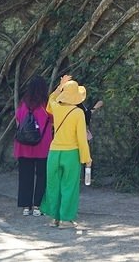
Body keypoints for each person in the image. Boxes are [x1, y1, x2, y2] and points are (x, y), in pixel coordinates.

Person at [43, 75, 92, 228]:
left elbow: (50, 101)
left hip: (54, 152)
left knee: (53, 185)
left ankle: (54, 218)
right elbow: (81, 138)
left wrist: (59, 86)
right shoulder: (78, 113)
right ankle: (65, 219)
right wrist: (87, 158)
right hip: (71, 153)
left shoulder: (56, 108)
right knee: (69, 186)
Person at [15, 75, 53, 216]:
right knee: (42, 175)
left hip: (23, 145)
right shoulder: (46, 105)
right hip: (42, 145)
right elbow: (53, 120)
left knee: (25, 176)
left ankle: (26, 206)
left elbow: (18, 120)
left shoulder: (23, 103)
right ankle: (37, 205)